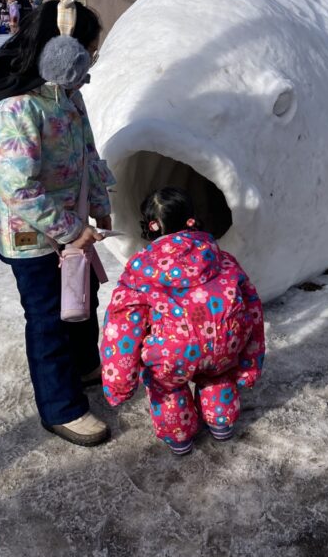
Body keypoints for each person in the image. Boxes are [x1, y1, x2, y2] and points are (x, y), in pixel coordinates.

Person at [0, 0, 115, 447]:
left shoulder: (69, 97)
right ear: (63, 51)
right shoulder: (19, 109)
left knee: (84, 296)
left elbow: (87, 153)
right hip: (31, 237)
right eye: (89, 51)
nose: (92, 60)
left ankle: (84, 367)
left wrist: (98, 201)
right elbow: (16, 187)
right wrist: (69, 230)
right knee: (48, 318)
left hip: (70, 227)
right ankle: (60, 406)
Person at [100, 187, 266, 456]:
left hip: (173, 354)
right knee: (218, 374)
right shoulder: (221, 259)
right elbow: (252, 308)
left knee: (167, 386)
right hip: (224, 345)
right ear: (191, 219)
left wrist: (119, 382)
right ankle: (221, 423)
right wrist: (249, 363)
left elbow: (122, 325)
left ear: (151, 226)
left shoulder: (141, 270)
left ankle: (180, 438)